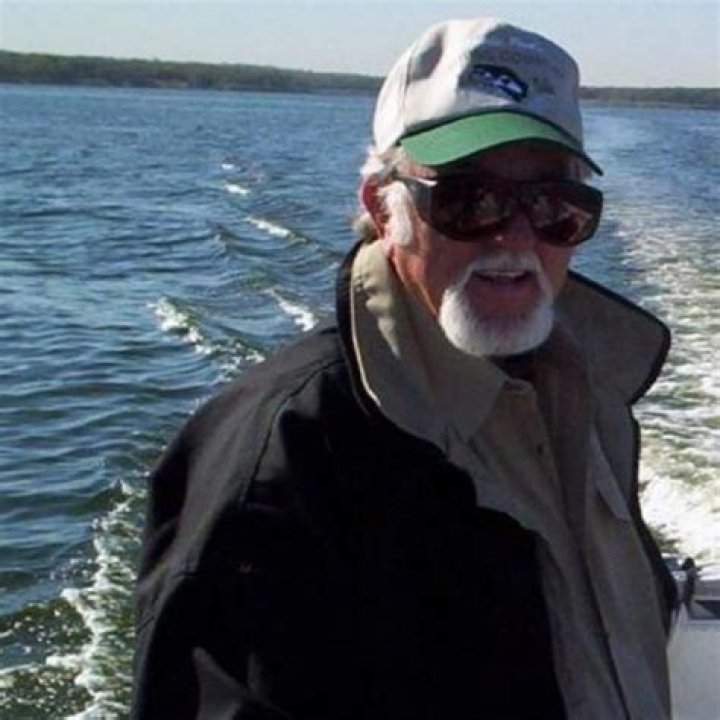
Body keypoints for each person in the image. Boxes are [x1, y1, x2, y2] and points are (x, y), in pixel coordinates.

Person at [131, 18, 678, 720]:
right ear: (382, 207)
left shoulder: (580, 391)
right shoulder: (283, 462)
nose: (514, 236)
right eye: (468, 200)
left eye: (553, 206)